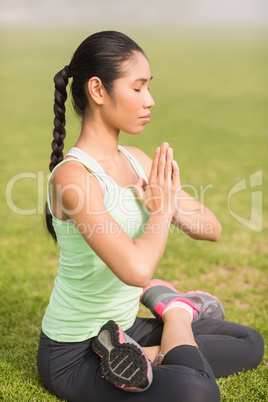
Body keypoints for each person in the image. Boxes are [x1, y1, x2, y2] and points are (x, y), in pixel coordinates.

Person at [37, 31, 264, 402]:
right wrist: (160, 211)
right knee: (198, 391)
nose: (150, 101)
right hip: (74, 352)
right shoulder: (72, 177)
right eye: (138, 88)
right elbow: (137, 272)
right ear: (97, 90)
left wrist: (169, 202)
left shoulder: (137, 160)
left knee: (248, 342)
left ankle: (147, 343)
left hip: (122, 330)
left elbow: (212, 228)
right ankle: (174, 313)